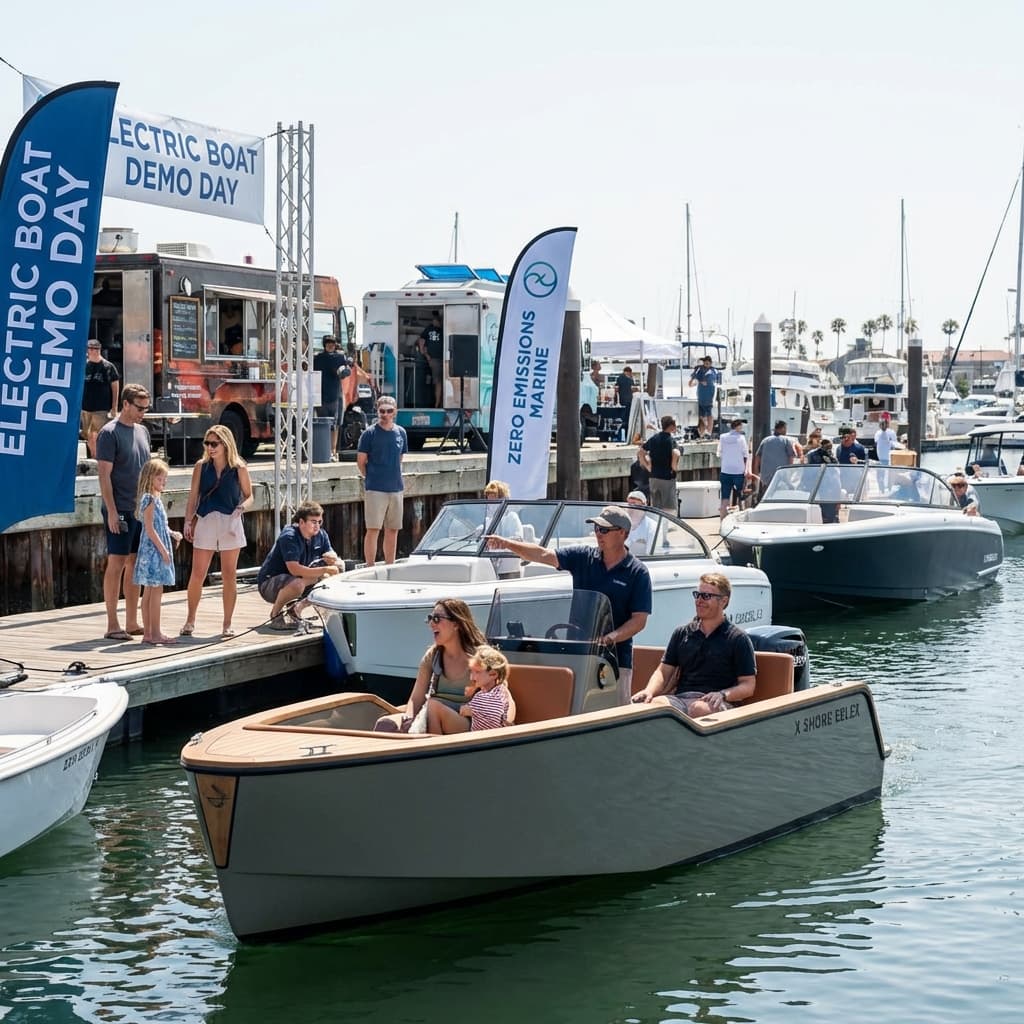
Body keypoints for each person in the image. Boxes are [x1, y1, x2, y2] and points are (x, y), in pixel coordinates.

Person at [485, 505, 652, 703]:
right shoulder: (583, 556)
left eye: (605, 529)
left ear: (623, 533)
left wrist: (611, 638)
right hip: (577, 653)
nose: (599, 534)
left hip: (615, 659)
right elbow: (542, 555)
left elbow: (639, 620)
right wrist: (506, 543)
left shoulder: (638, 572)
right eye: (597, 528)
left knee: (615, 711)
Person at [631, 571, 756, 717]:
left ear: (723, 601)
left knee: (699, 709)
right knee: (655, 707)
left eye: (706, 596)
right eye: (697, 595)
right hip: (681, 698)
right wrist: (649, 691)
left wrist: (722, 694)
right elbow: (663, 672)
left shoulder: (738, 638)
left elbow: (748, 685)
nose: (699, 600)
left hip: (718, 702)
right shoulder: (682, 633)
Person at [180, 425, 254, 638]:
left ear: (225, 444)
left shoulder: (239, 467)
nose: (210, 448)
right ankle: (190, 620)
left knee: (229, 574)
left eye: (214, 444)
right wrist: (187, 521)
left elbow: (250, 495)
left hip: (230, 520)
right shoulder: (201, 467)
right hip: (206, 519)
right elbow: (193, 497)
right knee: (198, 573)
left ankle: (227, 623)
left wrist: (242, 507)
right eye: (207, 443)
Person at [375, 598, 487, 732]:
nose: (431, 624)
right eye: (430, 618)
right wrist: (408, 718)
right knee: (385, 724)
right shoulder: (433, 656)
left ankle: (430, 748)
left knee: (434, 707)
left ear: (456, 624)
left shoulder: (481, 657)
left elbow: (503, 696)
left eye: (437, 619)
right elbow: (416, 697)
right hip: (430, 712)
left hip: (465, 720)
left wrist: (506, 721)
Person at [96, 383, 152, 641]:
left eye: (146, 408)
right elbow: (104, 476)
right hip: (119, 508)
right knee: (116, 562)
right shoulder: (109, 433)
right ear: (126, 404)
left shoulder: (142, 431)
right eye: (139, 408)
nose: (143, 413)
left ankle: (131, 621)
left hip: (139, 508)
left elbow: (147, 471)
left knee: (135, 564)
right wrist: (111, 511)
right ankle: (112, 624)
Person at [257, 501, 341, 629]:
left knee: (337, 570)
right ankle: (275, 615)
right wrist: (325, 569)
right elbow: (294, 569)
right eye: (313, 522)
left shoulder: (321, 535)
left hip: (300, 579)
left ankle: (296, 610)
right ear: (301, 522)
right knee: (298, 584)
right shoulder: (289, 536)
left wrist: (333, 559)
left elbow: (331, 553)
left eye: (319, 522)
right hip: (270, 583)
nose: (317, 526)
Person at [132, 458, 181, 646]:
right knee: (155, 591)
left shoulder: (153, 499)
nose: (163, 483)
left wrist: (172, 534)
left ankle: (149, 633)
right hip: (153, 551)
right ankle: (156, 632)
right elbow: (151, 529)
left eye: (164, 480)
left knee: (149, 592)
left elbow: (161, 526)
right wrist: (163, 551)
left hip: (152, 549)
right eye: (160, 479)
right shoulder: (150, 500)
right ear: (150, 479)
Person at [357, 395, 408, 566]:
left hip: (396, 487)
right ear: (377, 411)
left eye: (389, 411)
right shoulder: (369, 433)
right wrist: (370, 476)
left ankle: (390, 565)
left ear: (395, 412)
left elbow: (400, 458)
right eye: (382, 411)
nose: (385, 414)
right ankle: (370, 565)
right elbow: (361, 461)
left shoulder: (401, 432)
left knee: (393, 529)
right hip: (376, 488)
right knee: (373, 529)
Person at [426, 644, 515, 735]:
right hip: (492, 734)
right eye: (471, 671)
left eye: (477, 672)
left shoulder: (481, 698)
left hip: (477, 737)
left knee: (432, 705)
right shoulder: (501, 691)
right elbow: (509, 711)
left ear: (493, 674)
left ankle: (435, 744)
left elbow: (464, 711)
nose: (472, 677)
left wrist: (469, 707)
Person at [80, 339, 120, 458]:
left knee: (96, 434)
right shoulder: (84, 366)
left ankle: (97, 457)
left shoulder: (108, 367)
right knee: (87, 434)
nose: (93, 351)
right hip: (86, 406)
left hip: (101, 407)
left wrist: (114, 407)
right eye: (91, 349)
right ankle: (93, 456)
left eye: (96, 349)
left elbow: (115, 387)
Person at [313, 335, 348, 459]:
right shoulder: (317, 358)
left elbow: (345, 372)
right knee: (323, 423)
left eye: (332, 343)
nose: (330, 345)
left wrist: (345, 369)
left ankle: (333, 451)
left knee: (335, 424)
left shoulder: (340, 357)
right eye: (328, 343)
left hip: (335, 393)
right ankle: (324, 450)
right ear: (324, 344)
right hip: (320, 394)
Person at [637, 415, 680, 513]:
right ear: (672, 426)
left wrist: (647, 466)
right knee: (668, 506)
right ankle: (665, 526)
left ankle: (657, 525)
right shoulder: (671, 440)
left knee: (655, 506)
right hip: (667, 477)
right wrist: (674, 467)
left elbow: (640, 452)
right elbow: (676, 453)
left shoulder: (654, 438)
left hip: (654, 477)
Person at [482, 479, 524, 579]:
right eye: (489, 499)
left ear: (503, 499)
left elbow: (518, 539)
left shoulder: (512, 517)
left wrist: (501, 542)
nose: (490, 503)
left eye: (494, 499)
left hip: (509, 568)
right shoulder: (488, 520)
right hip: (490, 567)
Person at [752, 420, 803, 499]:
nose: (786, 430)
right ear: (782, 428)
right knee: (781, 497)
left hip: (766, 477)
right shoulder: (786, 440)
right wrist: (789, 471)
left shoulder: (765, 440)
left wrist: (756, 473)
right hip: (781, 475)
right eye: (785, 428)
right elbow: (791, 456)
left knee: (767, 497)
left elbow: (757, 457)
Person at [718, 418, 751, 518]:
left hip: (725, 471)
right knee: (741, 497)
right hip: (738, 471)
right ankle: (743, 519)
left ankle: (722, 521)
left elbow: (720, 453)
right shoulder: (741, 438)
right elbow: (746, 454)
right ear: (738, 426)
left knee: (725, 499)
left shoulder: (722, 437)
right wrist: (746, 469)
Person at [806, 436, 841, 523]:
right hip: (817, 488)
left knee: (831, 515)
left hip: (830, 489)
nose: (827, 446)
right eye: (824, 444)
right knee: (818, 515)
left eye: (828, 444)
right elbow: (807, 473)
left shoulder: (831, 456)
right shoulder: (812, 454)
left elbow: (836, 473)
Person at [418, 313, 444, 407]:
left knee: (443, 381)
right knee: (438, 381)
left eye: (437, 320)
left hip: (445, 359)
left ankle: (440, 403)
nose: (435, 321)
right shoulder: (429, 329)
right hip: (434, 359)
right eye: (434, 320)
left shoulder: (444, 329)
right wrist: (425, 353)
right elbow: (421, 340)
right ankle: (437, 404)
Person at [689, 355, 719, 438]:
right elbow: (693, 379)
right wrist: (699, 381)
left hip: (709, 395)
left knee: (709, 413)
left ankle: (709, 431)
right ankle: (702, 432)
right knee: (701, 415)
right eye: (706, 363)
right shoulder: (699, 369)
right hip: (701, 394)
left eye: (708, 364)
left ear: (711, 363)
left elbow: (716, 380)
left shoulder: (714, 371)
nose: (707, 365)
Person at [625, 490, 656, 556]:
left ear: (643, 505)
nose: (630, 507)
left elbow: (650, 554)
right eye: (629, 504)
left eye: (634, 503)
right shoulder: (621, 524)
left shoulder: (652, 526)